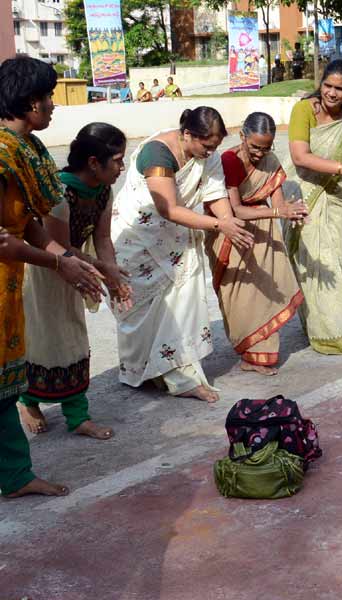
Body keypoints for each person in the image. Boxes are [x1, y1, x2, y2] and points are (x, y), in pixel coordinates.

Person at [0, 56, 105, 498]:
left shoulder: (25, 148)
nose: (53, 107)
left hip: (8, 285)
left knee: (5, 385)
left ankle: (15, 476)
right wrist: (57, 263)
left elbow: (29, 226)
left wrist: (67, 258)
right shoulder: (3, 155)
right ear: (29, 103)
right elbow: (2, 241)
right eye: (48, 98)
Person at [112, 107, 252, 403]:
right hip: (138, 239)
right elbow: (169, 209)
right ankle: (146, 371)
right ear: (187, 134)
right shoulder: (157, 154)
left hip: (176, 242)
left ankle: (180, 376)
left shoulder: (207, 156)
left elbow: (216, 195)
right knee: (140, 310)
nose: (211, 152)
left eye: (215, 146)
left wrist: (231, 225)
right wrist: (219, 224)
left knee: (179, 307)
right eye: (206, 145)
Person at [18, 122, 131, 441]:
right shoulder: (60, 192)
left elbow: (104, 237)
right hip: (47, 271)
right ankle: (28, 402)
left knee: (74, 340)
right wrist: (100, 271)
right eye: (118, 160)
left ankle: (77, 416)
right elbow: (61, 248)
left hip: (76, 267)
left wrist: (111, 273)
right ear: (94, 163)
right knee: (43, 339)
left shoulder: (103, 190)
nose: (122, 167)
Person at [205, 112, 307, 375]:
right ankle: (245, 349)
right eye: (255, 147)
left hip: (263, 232)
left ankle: (260, 356)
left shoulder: (270, 160)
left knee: (264, 291)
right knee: (237, 295)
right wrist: (278, 213)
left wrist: (293, 212)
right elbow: (235, 209)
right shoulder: (228, 160)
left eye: (266, 147)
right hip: (231, 232)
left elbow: (280, 203)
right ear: (242, 137)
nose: (261, 153)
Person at [285, 59, 342, 354]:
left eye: (339, 88)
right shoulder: (304, 110)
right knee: (312, 263)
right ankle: (333, 331)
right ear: (320, 83)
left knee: (333, 259)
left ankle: (326, 326)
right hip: (305, 196)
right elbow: (300, 156)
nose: (332, 93)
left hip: (338, 202)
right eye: (327, 86)